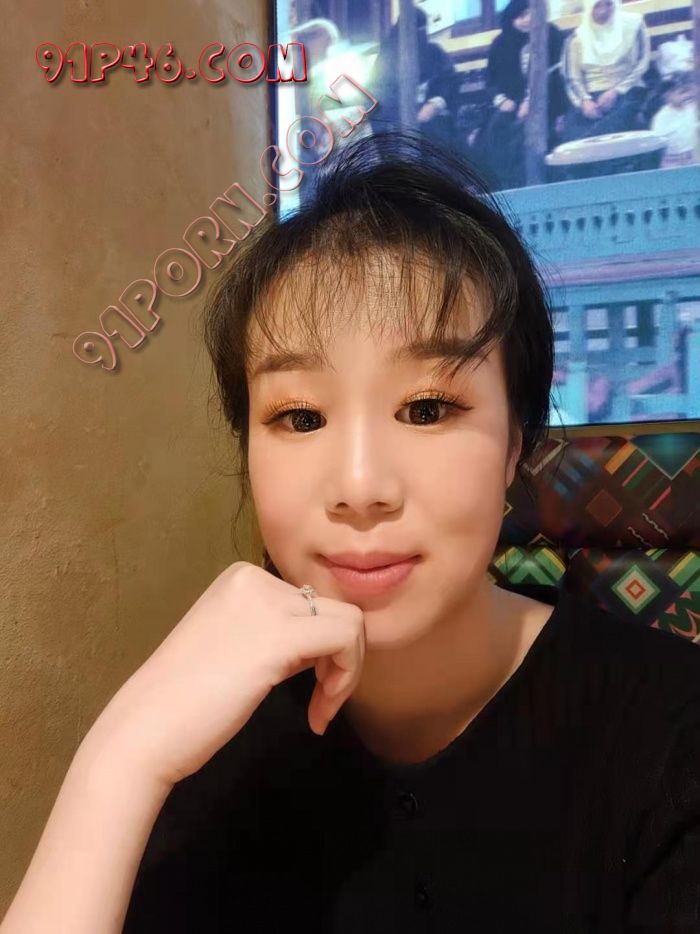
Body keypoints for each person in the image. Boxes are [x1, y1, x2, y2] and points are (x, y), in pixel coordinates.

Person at [3, 130, 700, 933]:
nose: (360, 489)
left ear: (515, 443)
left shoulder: (669, 739)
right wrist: (118, 762)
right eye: (301, 417)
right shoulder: (210, 736)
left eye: (427, 408)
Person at [471, 0, 569, 190]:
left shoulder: (552, 35)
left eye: (529, 14)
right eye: (520, 16)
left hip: (549, 102)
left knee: (525, 133)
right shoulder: (501, 43)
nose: (526, 20)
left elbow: (557, 76)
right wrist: (502, 100)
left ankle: (524, 184)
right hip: (511, 104)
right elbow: (491, 80)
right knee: (496, 128)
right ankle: (501, 184)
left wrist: (531, 101)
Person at [368, 6, 461, 154]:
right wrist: (402, 113)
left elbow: (449, 80)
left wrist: (435, 103)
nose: (418, 36)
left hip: (431, 121)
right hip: (396, 120)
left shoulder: (434, 52)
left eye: (422, 30)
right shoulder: (387, 57)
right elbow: (378, 90)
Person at [559, 0, 651, 142]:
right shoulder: (577, 38)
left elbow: (643, 61)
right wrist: (585, 101)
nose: (603, 11)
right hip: (592, 96)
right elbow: (572, 76)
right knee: (574, 131)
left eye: (608, 4)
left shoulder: (634, 26)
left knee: (619, 120)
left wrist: (616, 91)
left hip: (629, 89)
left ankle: (592, 147)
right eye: (597, 6)